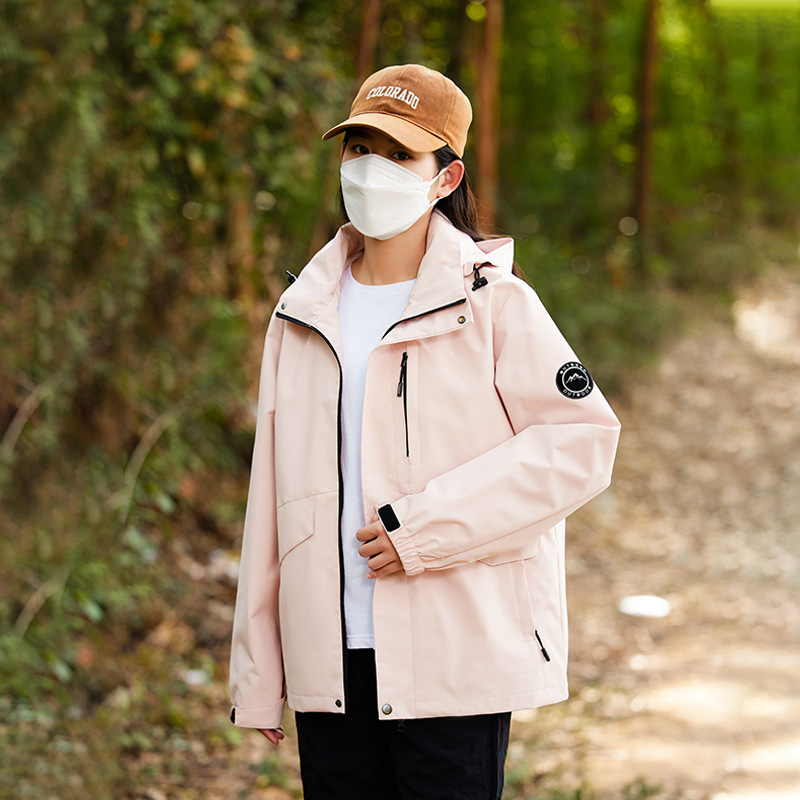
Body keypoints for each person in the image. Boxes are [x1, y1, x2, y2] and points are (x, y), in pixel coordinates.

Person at [228, 63, 621, 799]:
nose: (371, 168)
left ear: (445, 177)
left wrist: (422, 530)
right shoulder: (300, 313)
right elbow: (271, 501)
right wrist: (258, 673)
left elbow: (581, 442)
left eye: (399, 153)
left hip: (456, 658)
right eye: (359, 148)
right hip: (331, 662)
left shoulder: (495, 303)